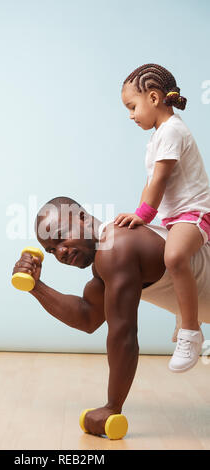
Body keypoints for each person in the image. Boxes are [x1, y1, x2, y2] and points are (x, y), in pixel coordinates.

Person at [12, 197, 210, 435]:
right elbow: (88, 317)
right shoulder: (107, 258)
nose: (61, 252)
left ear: (83, 219)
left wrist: (112, 407)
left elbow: (123, 334)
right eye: (52, 250)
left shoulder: (116, 247)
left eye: (62, 236)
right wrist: (35, 286)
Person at [116, 63, 210, 372]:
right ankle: (185, 315)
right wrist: (138, 215)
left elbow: (160, 181)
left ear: (154, 98)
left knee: (176, 257)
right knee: (151, 249)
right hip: (174, 216)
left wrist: (144, 214)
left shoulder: (172, 131)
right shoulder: (158, 136)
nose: (130, 115)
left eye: (132, 106)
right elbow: (149, 183)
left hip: (195, 213)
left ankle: (191, 330)